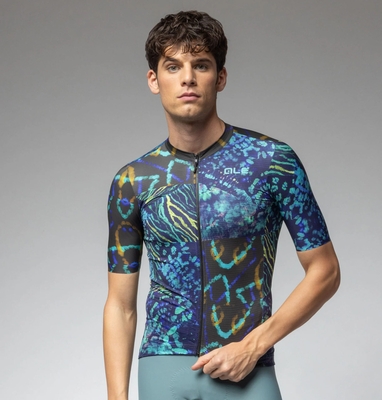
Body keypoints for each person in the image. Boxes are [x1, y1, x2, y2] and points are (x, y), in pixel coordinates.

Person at [103, 10, 340, 400]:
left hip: (246, 371)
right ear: (153, 80)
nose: (188, 78)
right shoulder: (133, 181)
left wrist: (253, 345)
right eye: (173, 66)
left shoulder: (271, 162)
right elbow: (120, 305)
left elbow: (325, 271)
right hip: (161, 372)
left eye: (201, 65)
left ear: (221, 77)